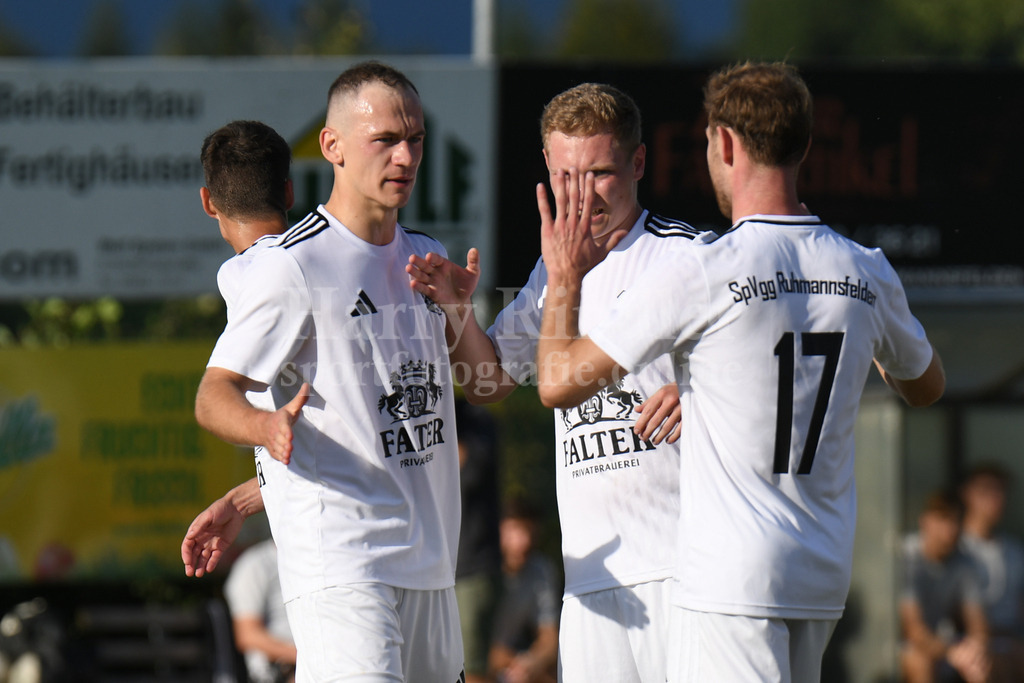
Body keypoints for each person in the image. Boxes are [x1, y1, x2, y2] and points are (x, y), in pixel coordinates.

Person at [531, 61, 946, 682]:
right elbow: (925, 385)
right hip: (821, 572)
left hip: (732, 580)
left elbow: (558, 381)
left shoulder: (706, 268)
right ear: (805, 145)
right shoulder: (866, 270)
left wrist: (562, 279)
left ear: (722, 143)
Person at [407, 82, 696, 682]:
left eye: (602, 173)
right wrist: (458, 313)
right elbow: (485, 385)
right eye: (567, 176)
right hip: (591, 582)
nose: (582, 194)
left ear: (639, 162)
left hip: (684, 570)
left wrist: (702, 392)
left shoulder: (689, 256)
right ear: (546, 166)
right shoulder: (550, 272)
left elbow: (773, 358)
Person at [188, 61, 464, 682]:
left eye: (416, 139)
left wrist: (253, 493)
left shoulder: (430, 257)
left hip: (431, 560)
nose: (406, 156)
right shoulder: (288, 264)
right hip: (344, 563)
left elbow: (370, 413)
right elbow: (214, 395)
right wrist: (263, 428)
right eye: (386, 140)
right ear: (331, 146)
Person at [901, 491, 990, 683]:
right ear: (924, 521)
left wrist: (973, 651)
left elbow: (978, 624)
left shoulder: (965, 562)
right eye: (943, 519)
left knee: (987, 665)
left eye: (956, 521)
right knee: (920, 662)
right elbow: (913, 630)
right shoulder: (907, 558)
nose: (950, 529)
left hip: (944, 645)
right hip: (900, 645)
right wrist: (951, 651)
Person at [453, 399, 503, 683]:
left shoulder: (476, 418)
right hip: (433, 567)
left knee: (470, 670)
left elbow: (467, 474)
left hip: (472, 568)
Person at [960, 463, 1024, 681]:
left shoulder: (1015, 551)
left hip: (1013, 640)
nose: (996, 499)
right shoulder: (956, 549)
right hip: (969, 640)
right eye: (987, 491)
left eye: (1001, 491)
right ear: (967, 494)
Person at [489, 498, 560, 683]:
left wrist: (532, 663)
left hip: (514, 667)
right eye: (516, 529)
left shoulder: (540, 569)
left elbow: (549, 638)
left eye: (530, 531)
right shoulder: (477, 570)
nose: (524, 541)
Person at [223, 538, 297, 683]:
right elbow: (248, 635)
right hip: (281, 670)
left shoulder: (324, 558)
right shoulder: (255, 565)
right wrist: (308, 657)